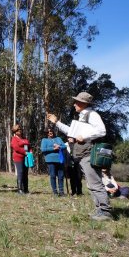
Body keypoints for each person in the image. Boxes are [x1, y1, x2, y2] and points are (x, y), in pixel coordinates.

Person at [47, 91, 113, 221]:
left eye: (77, 102)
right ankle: (99, 209)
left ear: (83, 103)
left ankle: (105, 211)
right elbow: (71, 132)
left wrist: (85, 136)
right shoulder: (83, 116)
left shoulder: (92, 114)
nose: (74, 104)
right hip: (84, 155)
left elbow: (101, 130)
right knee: (91, 183)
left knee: (95, 183)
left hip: (89, 153)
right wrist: (57, 122)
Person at [40, 128, 66, 196]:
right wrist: (53, 148)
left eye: (51, 131)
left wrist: (59, 146)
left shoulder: (58, 138)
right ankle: (55, 192)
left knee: (61, 176)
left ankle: (61, 191)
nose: (50, 132)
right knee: (53, 175)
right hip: (50, 160)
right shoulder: (44, 140)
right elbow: (43, 149)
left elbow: (64, 146)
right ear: (46, 133)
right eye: (48, 132)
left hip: (60, 159)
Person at [11, 124, 31, 194]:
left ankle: (26, 189)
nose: (20, 130)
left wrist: (30, 152)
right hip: (18, 157)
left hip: (26, 157)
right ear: (15, 131)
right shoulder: (14, 139)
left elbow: (28, 146)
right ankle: (19, 189)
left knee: (25, 173)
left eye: (20, 129)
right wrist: (24, 152)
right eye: (18, 130)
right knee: (20, 172)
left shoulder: (24, 138)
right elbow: (16, 148)